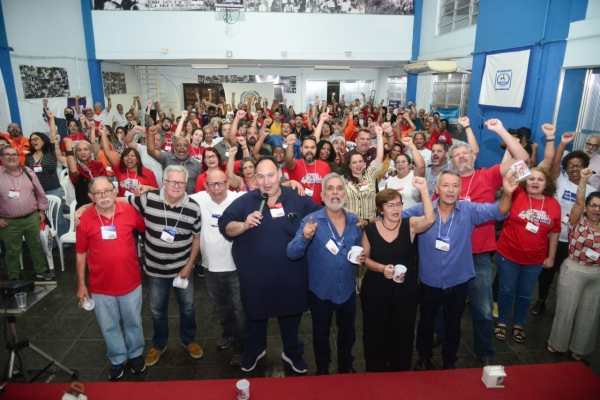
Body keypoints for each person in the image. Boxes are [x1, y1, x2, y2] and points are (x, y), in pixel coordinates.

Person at [403, 170, 516, 370]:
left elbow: (498, 211)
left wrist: (507, 192)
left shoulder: (469, 209)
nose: (450, 190)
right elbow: (393, 219)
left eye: (455, 186)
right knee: (426, 322)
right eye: (445, 185)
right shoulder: (422, 209)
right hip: (429, 279)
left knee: (454, 324)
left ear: (460, 190)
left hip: (458, 279)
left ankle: (449, 360)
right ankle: (423, 357)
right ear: (437, 189)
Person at [440, 117, 529, 365]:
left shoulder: (488, 175)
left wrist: (500, 129)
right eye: (456, 155)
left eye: (464, 153)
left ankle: (485, 352)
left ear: (473, 156)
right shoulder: (447, 182)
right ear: (452, 161)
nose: (461, 157)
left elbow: (524, 162)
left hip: (478, 254)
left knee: (483, 309)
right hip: (449, 252)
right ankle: (438, 334)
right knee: (441, 301)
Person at [219, 157, 320, 373]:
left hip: (292, 275)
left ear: (280, 174)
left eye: (271, 175)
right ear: (255, 178)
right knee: (256, 315)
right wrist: (244, 224)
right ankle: (255, 350)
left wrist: (342, 213)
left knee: (292, 315)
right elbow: (225, 226)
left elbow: (320, 215)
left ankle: (292, 352)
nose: (266, 181)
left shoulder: (296, 197)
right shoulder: (246, 201)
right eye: (261, 176)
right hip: (256, 277)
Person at [287, 173, 365, 375]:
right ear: (322, 195)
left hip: (347, 288)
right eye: (330, 189)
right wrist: (304, 237)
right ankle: (322, 368)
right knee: (320, 334)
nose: (335, 193)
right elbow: (292, 253)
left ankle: (345, 364)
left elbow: (358, 248)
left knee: (348, 334)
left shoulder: (354, 221)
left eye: (339, 188)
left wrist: (361, 256)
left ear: (345, 194)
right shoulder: (311, 221)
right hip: (320, 291)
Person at [129, 165, 203, 366]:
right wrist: (85, 206)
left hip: (182, 269)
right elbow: (117, 201)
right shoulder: (148, 199)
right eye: (172, 181)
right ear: (164, 183)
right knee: (157, 311)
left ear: (186, 184)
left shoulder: (194, 208)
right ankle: (160, 344)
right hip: (155, 270)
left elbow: (197, 239)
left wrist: (190, 266)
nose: (176, 186)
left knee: (187, 308)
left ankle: (189, 340)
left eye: (181, 182)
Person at [75, 177, 147, 380]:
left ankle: (135, 354)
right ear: (91, 197)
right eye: (98, 193)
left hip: (130, 281)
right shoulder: (85, 219)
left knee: (134, 321)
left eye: (107, 191)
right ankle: (117, 358)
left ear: (115, 192)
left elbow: (145, 231)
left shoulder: (130, 212)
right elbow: (81, 253)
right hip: (100, 286)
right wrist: (81, 285)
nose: (104, 196)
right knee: (108, 326)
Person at [361, 180, 434, 372]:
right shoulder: (369, 230)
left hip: (405, 291)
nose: (396, 209)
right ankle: (375, 370)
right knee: (375, 332)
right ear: (380, 209)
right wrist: (380, 268)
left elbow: (429, 220)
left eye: (399, 204)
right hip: (375, 290)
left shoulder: (409, 225)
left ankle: (400, 371)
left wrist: (425, 191)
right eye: (390, 205)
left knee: (403, 331)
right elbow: (364, 259)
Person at [532, 131, 595, 316]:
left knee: (567, 277)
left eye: (579, 165)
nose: (575, 169)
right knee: (546, 271)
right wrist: (562, 143)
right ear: (566, 169)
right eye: (570, 166)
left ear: (586, 168)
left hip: (574, 241)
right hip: (553, 237)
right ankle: (541, 300)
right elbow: (552, 164)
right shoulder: (561, 182)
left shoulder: (591, 190)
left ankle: (564, 307)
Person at [494, 168, 561, 344]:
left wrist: (551, 257)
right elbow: (507, 177)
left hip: (535, 260)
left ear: (547, 184)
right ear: (525, 180)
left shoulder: (553, 204)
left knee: (525, 294)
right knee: (506, 290)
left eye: (540, 179)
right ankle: (502, 322)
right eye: (531, 178)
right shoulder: (516, 193)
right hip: (508, 254)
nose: (535, 182)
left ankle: (518, 325)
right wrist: (522, 163)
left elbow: (555, 232)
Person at [189, 170, 247, 366]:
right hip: (210, 268)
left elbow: (264, 192)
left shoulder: (238, 198)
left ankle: (240, 346)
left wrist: (291, 185)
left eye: (220, 184)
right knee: (222, 307)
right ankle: (228, 332)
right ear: (205, 186)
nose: (216, 188)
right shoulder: (198, 199)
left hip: (235, 267)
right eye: (212, 185)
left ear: (227, 183)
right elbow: (172, 193)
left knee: (239, 309)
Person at [548, 168, 600, 360]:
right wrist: (584, 180)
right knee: (566, 309)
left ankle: (580, 348)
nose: (596, 209)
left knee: (590, 313)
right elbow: (578, 200)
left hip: (596, 274)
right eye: (593, 205)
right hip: (574, 269)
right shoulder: (577, 221)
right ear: (586, 207)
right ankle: (557, 343)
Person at [0, 145, 54, 281]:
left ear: (19, 157)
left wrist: (41, 210)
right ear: (1, 158)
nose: (11, 157)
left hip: (32, 217)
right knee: (12, 251)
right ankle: (13, 276)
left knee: (36, 245)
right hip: (9, 221)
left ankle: (41, 271)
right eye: (7, 154)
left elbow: (40, 192)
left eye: (14, 154)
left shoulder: (28, 172)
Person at [25, 112, 68, 241]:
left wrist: (51, 118)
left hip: (53, 189)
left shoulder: (50, 152)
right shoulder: (28, 158)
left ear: (43, 140)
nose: (34, 141)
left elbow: (53, 134)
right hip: (37, 193)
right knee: (44, 218)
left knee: (57, 216)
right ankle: (51, 242)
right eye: (32, 140)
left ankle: (63, 240)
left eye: (36, 138)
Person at [98, 124, 158, 197]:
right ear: (123, 159)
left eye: (132, 156)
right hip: (123, 206)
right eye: (126, 156)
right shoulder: (120, 169)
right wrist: (103, 133)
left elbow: (156, 191)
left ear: (138, 159)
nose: (129, 157)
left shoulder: (148, 173)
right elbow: (107, 153)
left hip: (141, 206)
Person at [284, 135, 331, 204]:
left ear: (316, 149)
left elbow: (329, 188)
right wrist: (290, 144)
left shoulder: (325, 166)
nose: (309, 150)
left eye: (312, 147)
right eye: (306, 147)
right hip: (300, 209)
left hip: (319, 209)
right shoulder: (296, 164)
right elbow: (288, 160)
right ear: (301, 149)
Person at [64, 136, 107, 209]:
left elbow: (106, 183)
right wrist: (68, 149)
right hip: (84, 207)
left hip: (102, 204)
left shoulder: (98, 165)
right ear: (76, 153)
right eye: (79, 150)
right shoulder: (77, 167)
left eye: (85, 149)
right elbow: (74, 172)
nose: (82, 152)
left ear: (91, 151)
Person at [385, 137, 426, 209]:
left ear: (410, 165)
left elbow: (421, 166)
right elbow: (385, 202)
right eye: (397, 162)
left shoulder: (415, 176)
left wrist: (411, 145)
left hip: (413, 218)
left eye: (404, 162)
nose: (400, 164)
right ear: (395, 166)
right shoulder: (389, 181)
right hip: (395, 218)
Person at [123, 123, 164, 189]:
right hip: (142, 186)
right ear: (148, 140)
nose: (155, 142)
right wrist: (133, 131)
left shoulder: (166, 155)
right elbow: (127, 142)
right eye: (153, 140)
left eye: (158, 140)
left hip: (160, 188)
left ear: (162, 141)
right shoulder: (142, 149)